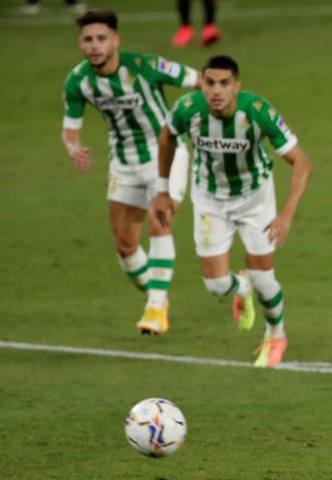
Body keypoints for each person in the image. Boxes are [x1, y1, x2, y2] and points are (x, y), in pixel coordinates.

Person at [152, 55, 312, 368]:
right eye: (209, 82)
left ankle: (276, 335)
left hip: (255, 200)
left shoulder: (257, 112)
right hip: (210, 199)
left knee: (265, 278)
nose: (216, 90)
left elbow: (302, 162)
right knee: (215, 286)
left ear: (236, 86)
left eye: (224, 83)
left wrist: (286, 214)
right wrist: (162, 191)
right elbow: (167, 137)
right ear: (202, 83)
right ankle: (242, 287)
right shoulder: (188, 109)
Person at [62, 10, 199, 335]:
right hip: (123, 162)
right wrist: (74, 148)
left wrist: (201, 119)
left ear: (116, 40)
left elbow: (199, 80)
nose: (95, 46)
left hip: (165, 154)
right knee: (125, 246)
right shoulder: (78, 80)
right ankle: (158, 295)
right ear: (80, 43)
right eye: (88, 39)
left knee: (159, 219)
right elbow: (70, 127)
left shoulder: (146, 66)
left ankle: (154, 307)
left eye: (101, 38)